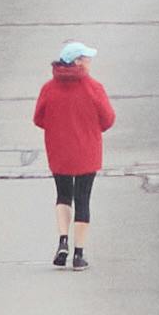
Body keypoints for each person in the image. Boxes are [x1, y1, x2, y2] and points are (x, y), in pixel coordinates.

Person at [33, 42, 116, 265]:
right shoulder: (93, 88)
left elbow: (38, 118)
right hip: (87, 151)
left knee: (62, 195)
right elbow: (108, 119)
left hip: (59, 150)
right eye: (87, 58)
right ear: (77, 61)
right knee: (83, 199)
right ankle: (78, 254)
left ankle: (62, 240)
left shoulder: (49, 88)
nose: (90, 62)